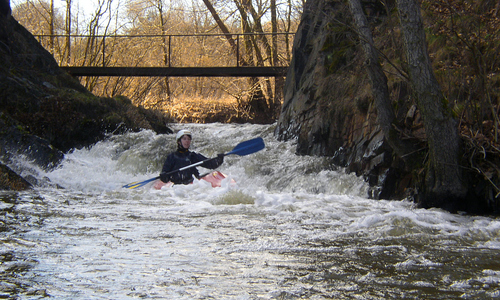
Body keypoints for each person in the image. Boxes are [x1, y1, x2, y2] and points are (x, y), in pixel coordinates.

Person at [160, 129, 224, 184]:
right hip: (177, 186)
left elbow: (211, 165)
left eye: (189, 139)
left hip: (191, 186)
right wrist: (163, 175)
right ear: (179, 141)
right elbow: (165, 178)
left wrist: (220, 159)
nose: (187, 141)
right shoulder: (171, 157)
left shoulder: (193, 156)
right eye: (184, 139)